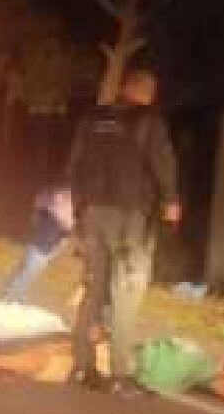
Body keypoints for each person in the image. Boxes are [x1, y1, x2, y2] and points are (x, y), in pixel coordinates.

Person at [66, 69, 181, 395]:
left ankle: (82, 367)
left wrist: (79, 210)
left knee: (94, 289)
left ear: (122, 89)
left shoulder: (92, 119)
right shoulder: (148, 122)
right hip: (129, 216)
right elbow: (163, 162)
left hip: (92, 213)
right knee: (126, 293)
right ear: (148, 93)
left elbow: (74, 165)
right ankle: (119, 374)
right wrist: (172, 199)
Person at [0, 326, 224, 408]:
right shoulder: (200, 363)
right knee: (57, 360)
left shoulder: (191, 352)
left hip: (123, 354)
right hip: (123, 361)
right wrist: (221, 375)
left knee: (58, 354)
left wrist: (222, 374)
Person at [0, 186, 75, 302]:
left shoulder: (51, 209)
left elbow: (64, 238)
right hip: (41, 247)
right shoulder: (55, 211)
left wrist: (55, 252)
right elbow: (64, 237)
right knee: (26, 274)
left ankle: (14, 295)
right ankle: (10, 297)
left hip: (42, 247)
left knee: (25, 272)